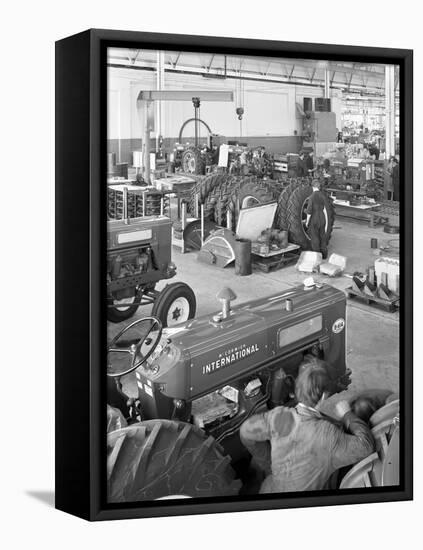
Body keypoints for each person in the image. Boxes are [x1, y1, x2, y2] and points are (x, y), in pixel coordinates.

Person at [239, 360, 375, 493]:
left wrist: (267, 463)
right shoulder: (326, 434)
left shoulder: (278, 417)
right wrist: (347, 414)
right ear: (323, 397)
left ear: (296, 391)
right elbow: (366, 447)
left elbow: (245, 432)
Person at [305, 179, 329, 259]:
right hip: (322, 217)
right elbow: (325, 208)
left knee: (314, 237)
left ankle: (317, 256)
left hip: (314, 218)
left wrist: (307, 222)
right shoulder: (322, 195)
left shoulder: (312, 196)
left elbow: (309, 211)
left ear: (313, 187)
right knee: (322, 236)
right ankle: (324, 254)